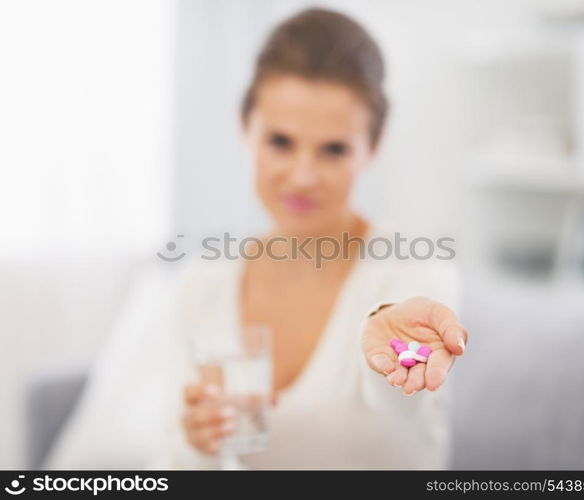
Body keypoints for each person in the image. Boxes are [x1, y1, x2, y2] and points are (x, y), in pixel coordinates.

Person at [46, 7, 467, 470]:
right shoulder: (205, 283)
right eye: (281, 143)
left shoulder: (415, 272)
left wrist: (396, 359)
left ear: (374, 145)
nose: (303, 176)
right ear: (244, 128)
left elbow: (403, 404)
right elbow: (177, 463)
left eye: (333, 150)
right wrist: (197, 443)